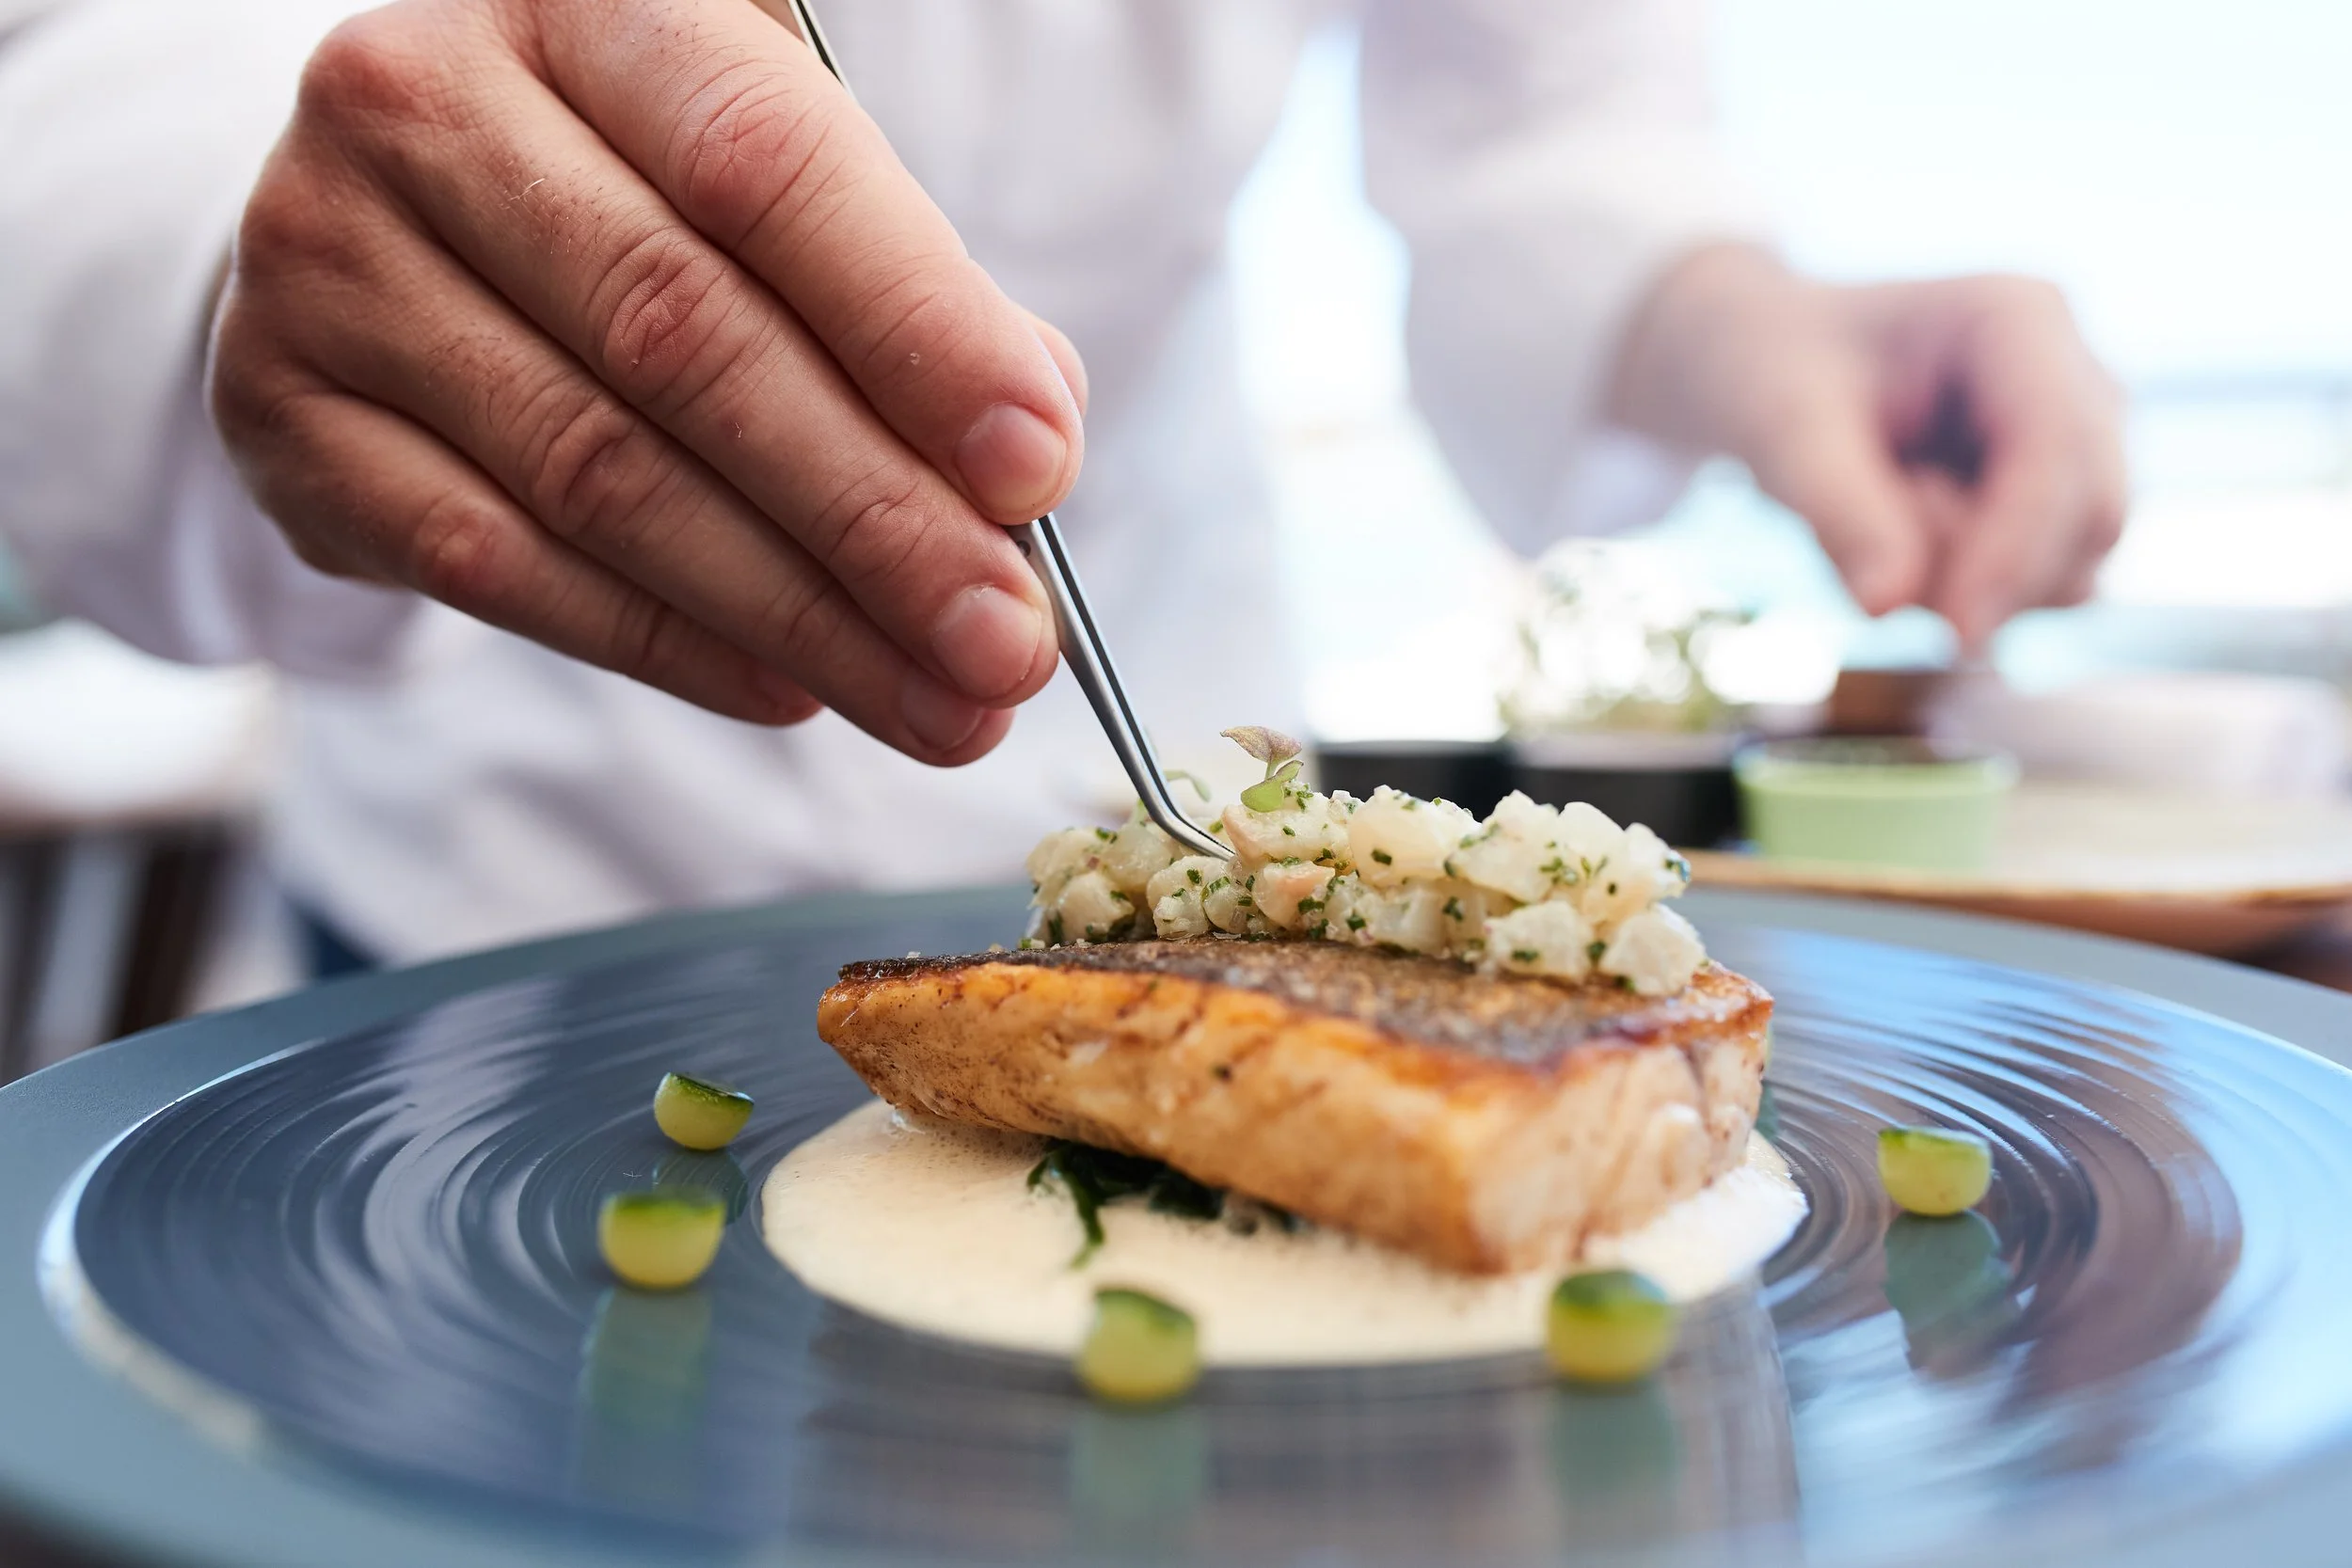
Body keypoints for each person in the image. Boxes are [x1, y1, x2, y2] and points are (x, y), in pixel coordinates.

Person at [0, 0, 2125, 969]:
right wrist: (249, 262)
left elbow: (1545, 120)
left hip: (1163, 738)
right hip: (507, 869)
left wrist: (1730, 311)